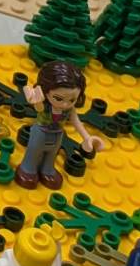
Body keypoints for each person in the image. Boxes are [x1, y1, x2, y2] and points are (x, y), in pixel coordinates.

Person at [17, 60, 106, 188]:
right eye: (58, 98)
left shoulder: (69, 109)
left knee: (52, 154)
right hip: (41, 133)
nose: (65, 104)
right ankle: (27, 169)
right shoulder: (45, 105)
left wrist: (87, 138)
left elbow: (76, 121)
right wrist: (36, 100)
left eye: (72, 100)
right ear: (45, 91)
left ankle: (47, 170)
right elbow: (39, 109)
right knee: (34, 152)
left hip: (58, 134)